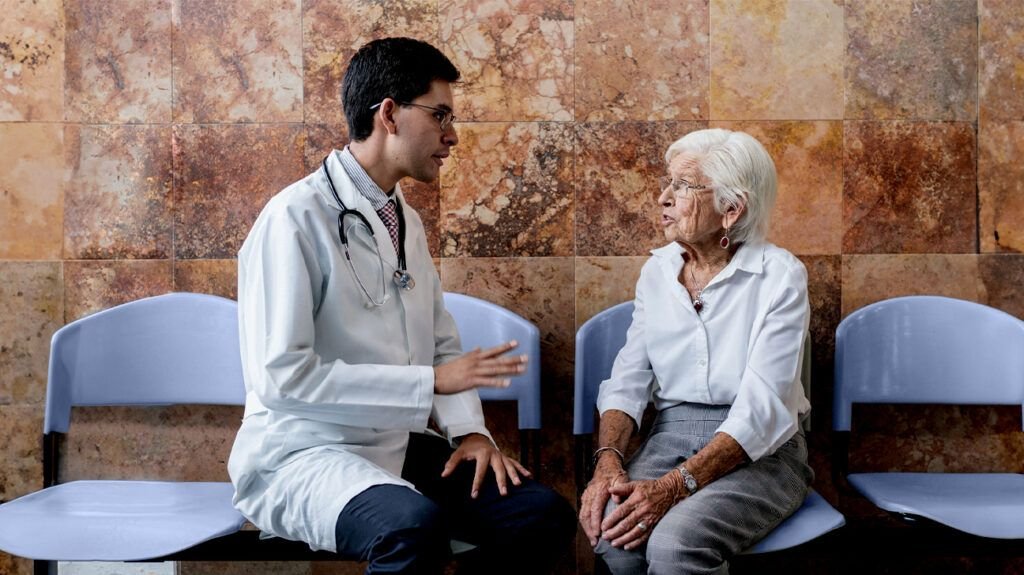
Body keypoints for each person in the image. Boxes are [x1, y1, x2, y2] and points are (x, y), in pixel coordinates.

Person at [228, 37, 575, 575]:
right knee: (410, 527)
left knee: (540, 515)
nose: (452, 135)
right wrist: (430, 385)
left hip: (393, 442)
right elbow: (282, 379)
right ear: (389, 114)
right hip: (303, 452)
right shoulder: (293, 219)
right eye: (440, 115)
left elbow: (440, 340)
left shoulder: (402, 219)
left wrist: (470, 432)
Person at [579, 128, 814, 574]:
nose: (664, 198)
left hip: (762, 448)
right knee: (615, 535)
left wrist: (673, 486)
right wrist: (607, 462)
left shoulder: (781, 276)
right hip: (671, 433)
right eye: (668, 183)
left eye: (683, 187)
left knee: (674, 546)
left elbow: (762, 410)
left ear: (731, 208)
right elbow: (628, 379)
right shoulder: (658, 271)